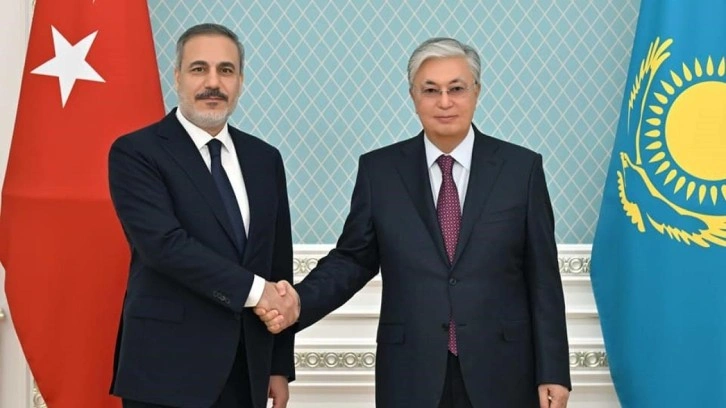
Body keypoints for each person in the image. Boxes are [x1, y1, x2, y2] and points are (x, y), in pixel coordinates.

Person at [258, 37, 571, 407]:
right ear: (412, 96)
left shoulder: (521, 169)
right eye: (430, 90)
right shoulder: (379, 171)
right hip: (410, 371)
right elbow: (353, 260)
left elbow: (543, 277)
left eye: (456, 88)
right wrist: (297, 302)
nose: (444, 102)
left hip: (503, 370)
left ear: (476, 91)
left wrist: (553, 370)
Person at [108, 23, 299, 408]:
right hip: (165, 369)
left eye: (226, 70)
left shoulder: (265, 159)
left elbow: (277, 260)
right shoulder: (136, 152)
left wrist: (277, 365)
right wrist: (258, 292)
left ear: (240, 81)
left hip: (247, 367)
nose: (213, 82)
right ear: (177, 76)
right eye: (199, 69)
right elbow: (164, 246)